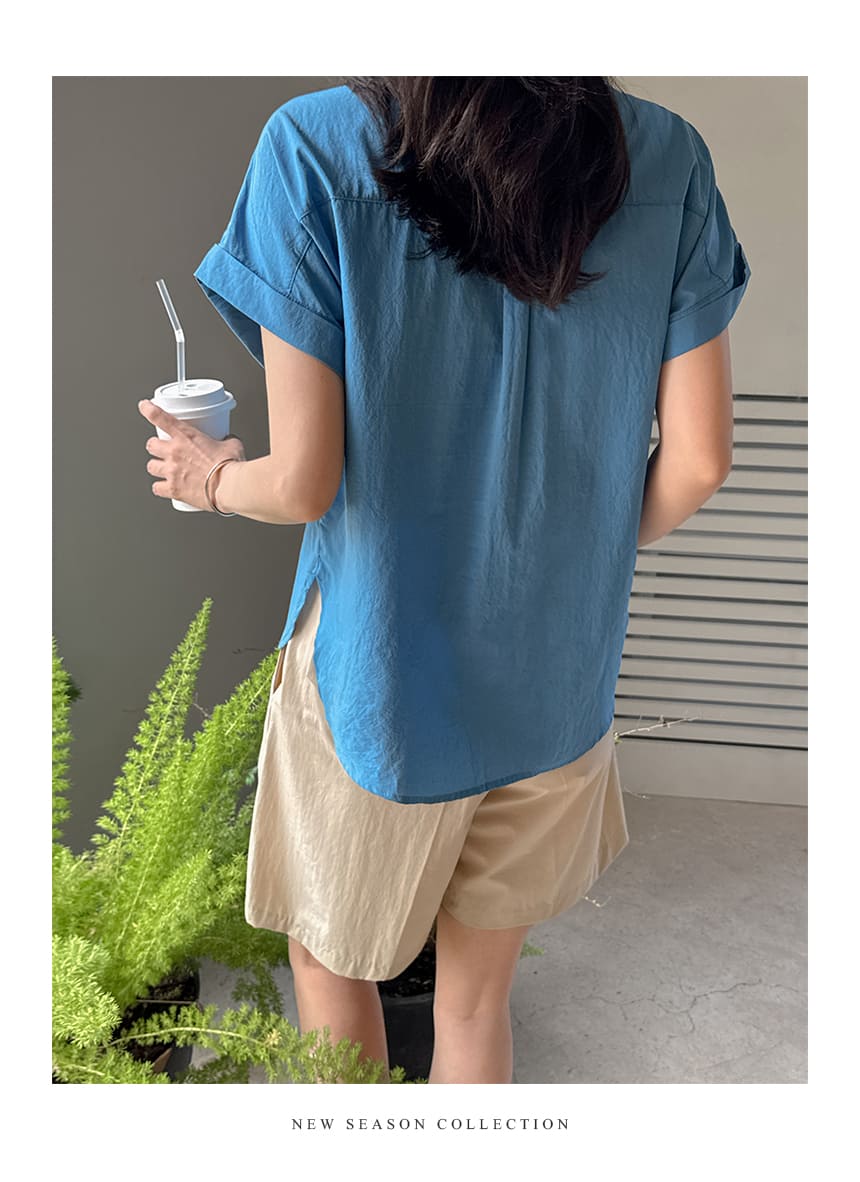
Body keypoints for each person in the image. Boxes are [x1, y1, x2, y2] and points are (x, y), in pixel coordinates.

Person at [137, 77, 751, 1084]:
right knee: (471, 1004)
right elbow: (699, 462)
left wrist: (206, 479)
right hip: (557, 683)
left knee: (331, 970)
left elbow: (301, 482)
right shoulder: (665, 153)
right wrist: (571, 559)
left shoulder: (314, 144)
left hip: (373, 679)